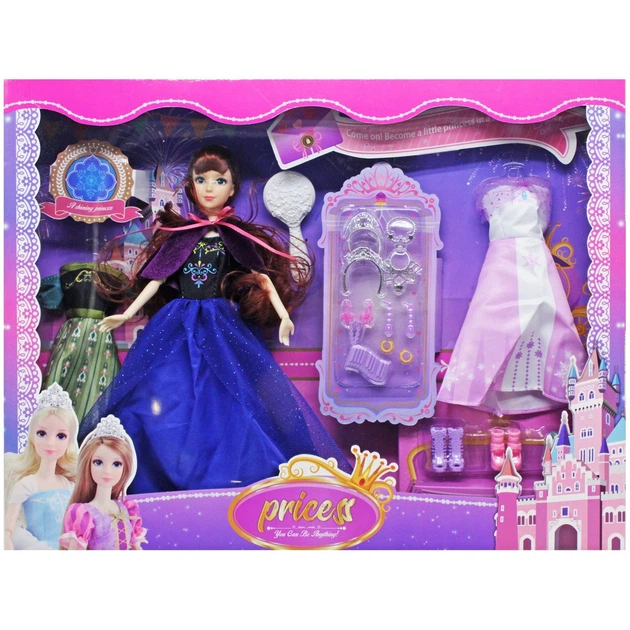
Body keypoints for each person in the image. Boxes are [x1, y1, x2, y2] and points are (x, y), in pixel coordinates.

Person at [78, 145, 349, 493]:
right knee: (161, 390)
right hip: (177, 321)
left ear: (232, 187)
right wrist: (126, 314)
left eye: (219, 181)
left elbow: (261, 277)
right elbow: (158, 278)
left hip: (220, 323)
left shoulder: (233, 235)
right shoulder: (182, 236)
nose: (209, 188)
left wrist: (283, 315)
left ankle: (231, 472)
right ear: (191, 185)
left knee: (231, 395)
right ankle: (146, 470)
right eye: (201, 179)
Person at [4, 383, 78, 550]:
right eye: (42, 433)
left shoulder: (68, 485)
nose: (50, 443)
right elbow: (8, 530)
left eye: (61, 436)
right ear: (32, 437)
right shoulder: (26, 485)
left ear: (69, 441)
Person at [60, 415, 147, 550]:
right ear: (88, 465)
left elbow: (137, 548)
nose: (107, 471)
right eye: (98, 462)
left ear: (125, 468)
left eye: (116, 464)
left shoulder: (127, 509)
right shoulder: (84, 514)